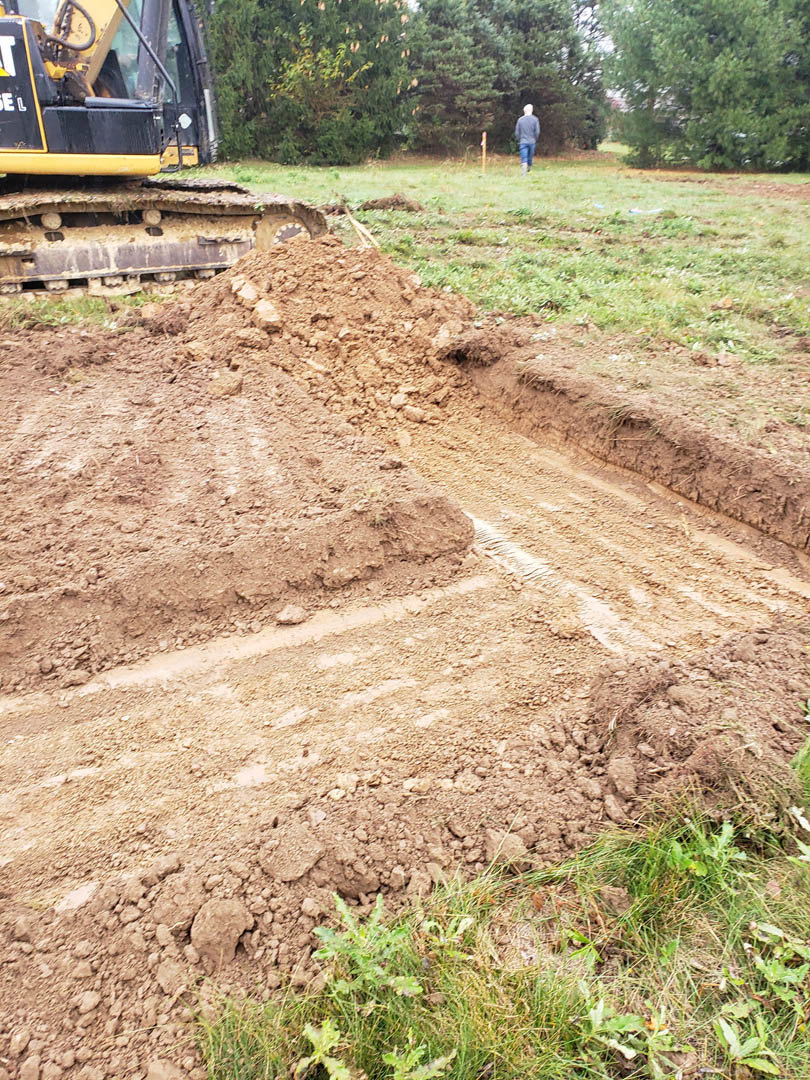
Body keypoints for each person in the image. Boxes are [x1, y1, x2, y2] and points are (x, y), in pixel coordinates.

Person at [514, 104, 540, 175]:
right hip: (532, 141)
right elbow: (537, 131)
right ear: (531, 110)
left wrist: (519, 139)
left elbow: (517, 132)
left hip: (523, 141)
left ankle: (524, 173)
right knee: (530, 156)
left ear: (524, 111)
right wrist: (535, 139)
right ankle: (529, 167)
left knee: (524, 157)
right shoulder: (535, 119)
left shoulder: (520, 120)